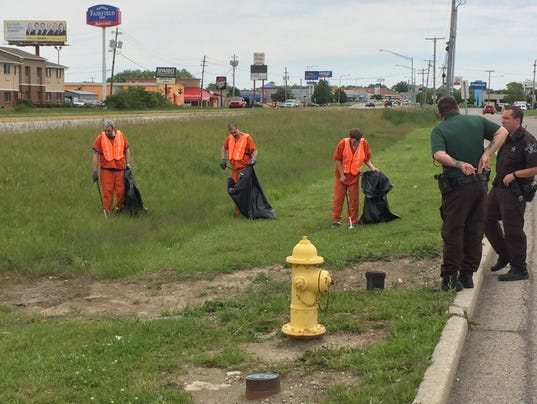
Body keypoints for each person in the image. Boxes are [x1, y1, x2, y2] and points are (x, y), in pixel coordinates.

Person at [431, 96, 508, 291]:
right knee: (475, 228)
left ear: (440, 113)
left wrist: (458, 164)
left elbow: (439, 155)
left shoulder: (439, 130)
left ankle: (450, 278)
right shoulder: (477, 121)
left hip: (457, 188)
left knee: (454, 230)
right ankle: (467, 275)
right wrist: (486, 154)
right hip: (480, 184)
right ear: (457, 108)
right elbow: (502, 132)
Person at [485, 106, 537, 281]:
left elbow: (535, 168)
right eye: (502, 118)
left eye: (506, 118)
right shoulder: (505, 137)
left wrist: (515, 174)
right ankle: (505, 253)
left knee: (512, 229)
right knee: (485, 217)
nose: (502, 121)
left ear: (517, 120)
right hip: (498, 187)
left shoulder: (527, 140)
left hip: (515, 191)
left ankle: (519, 268)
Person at [331, 128, 378, 228]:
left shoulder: (364, 143)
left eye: (358, 141)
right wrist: (342, 175)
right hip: (341, 176)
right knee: (338, 198)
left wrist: (373, 168)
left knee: (354, 200)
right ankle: (336, 220)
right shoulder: (343, 143)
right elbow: (337, 160)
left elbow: (366, 159)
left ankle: (352, 220)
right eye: (354, 141)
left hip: (354, 176)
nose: (356, 143)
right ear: (350, 138)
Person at [92, 120, 131, 215]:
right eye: (105, 130)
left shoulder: (121, 136)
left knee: (121, 192)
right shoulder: (100, 138)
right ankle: (108, 211)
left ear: (113, 129)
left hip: (120, 170)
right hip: (106, 171)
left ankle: (120, 209)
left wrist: (128, 164)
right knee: (107, 192)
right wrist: (94, 171)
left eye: (108, 130)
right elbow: (95, 155)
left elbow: (127, 150)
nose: (107, 132)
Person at [220, 123, 257, 215]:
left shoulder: (247, 138)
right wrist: (223, 159)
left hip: (245, 169)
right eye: (232, 133)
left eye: (235, 132)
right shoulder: (230, 138)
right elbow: (224, 148)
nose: (234, 134)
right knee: (237, 191)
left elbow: (254, 150)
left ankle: (249, 211)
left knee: (246, 190)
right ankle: (238, 212)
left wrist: (253, 159)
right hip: (234, 170)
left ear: (238, 129)